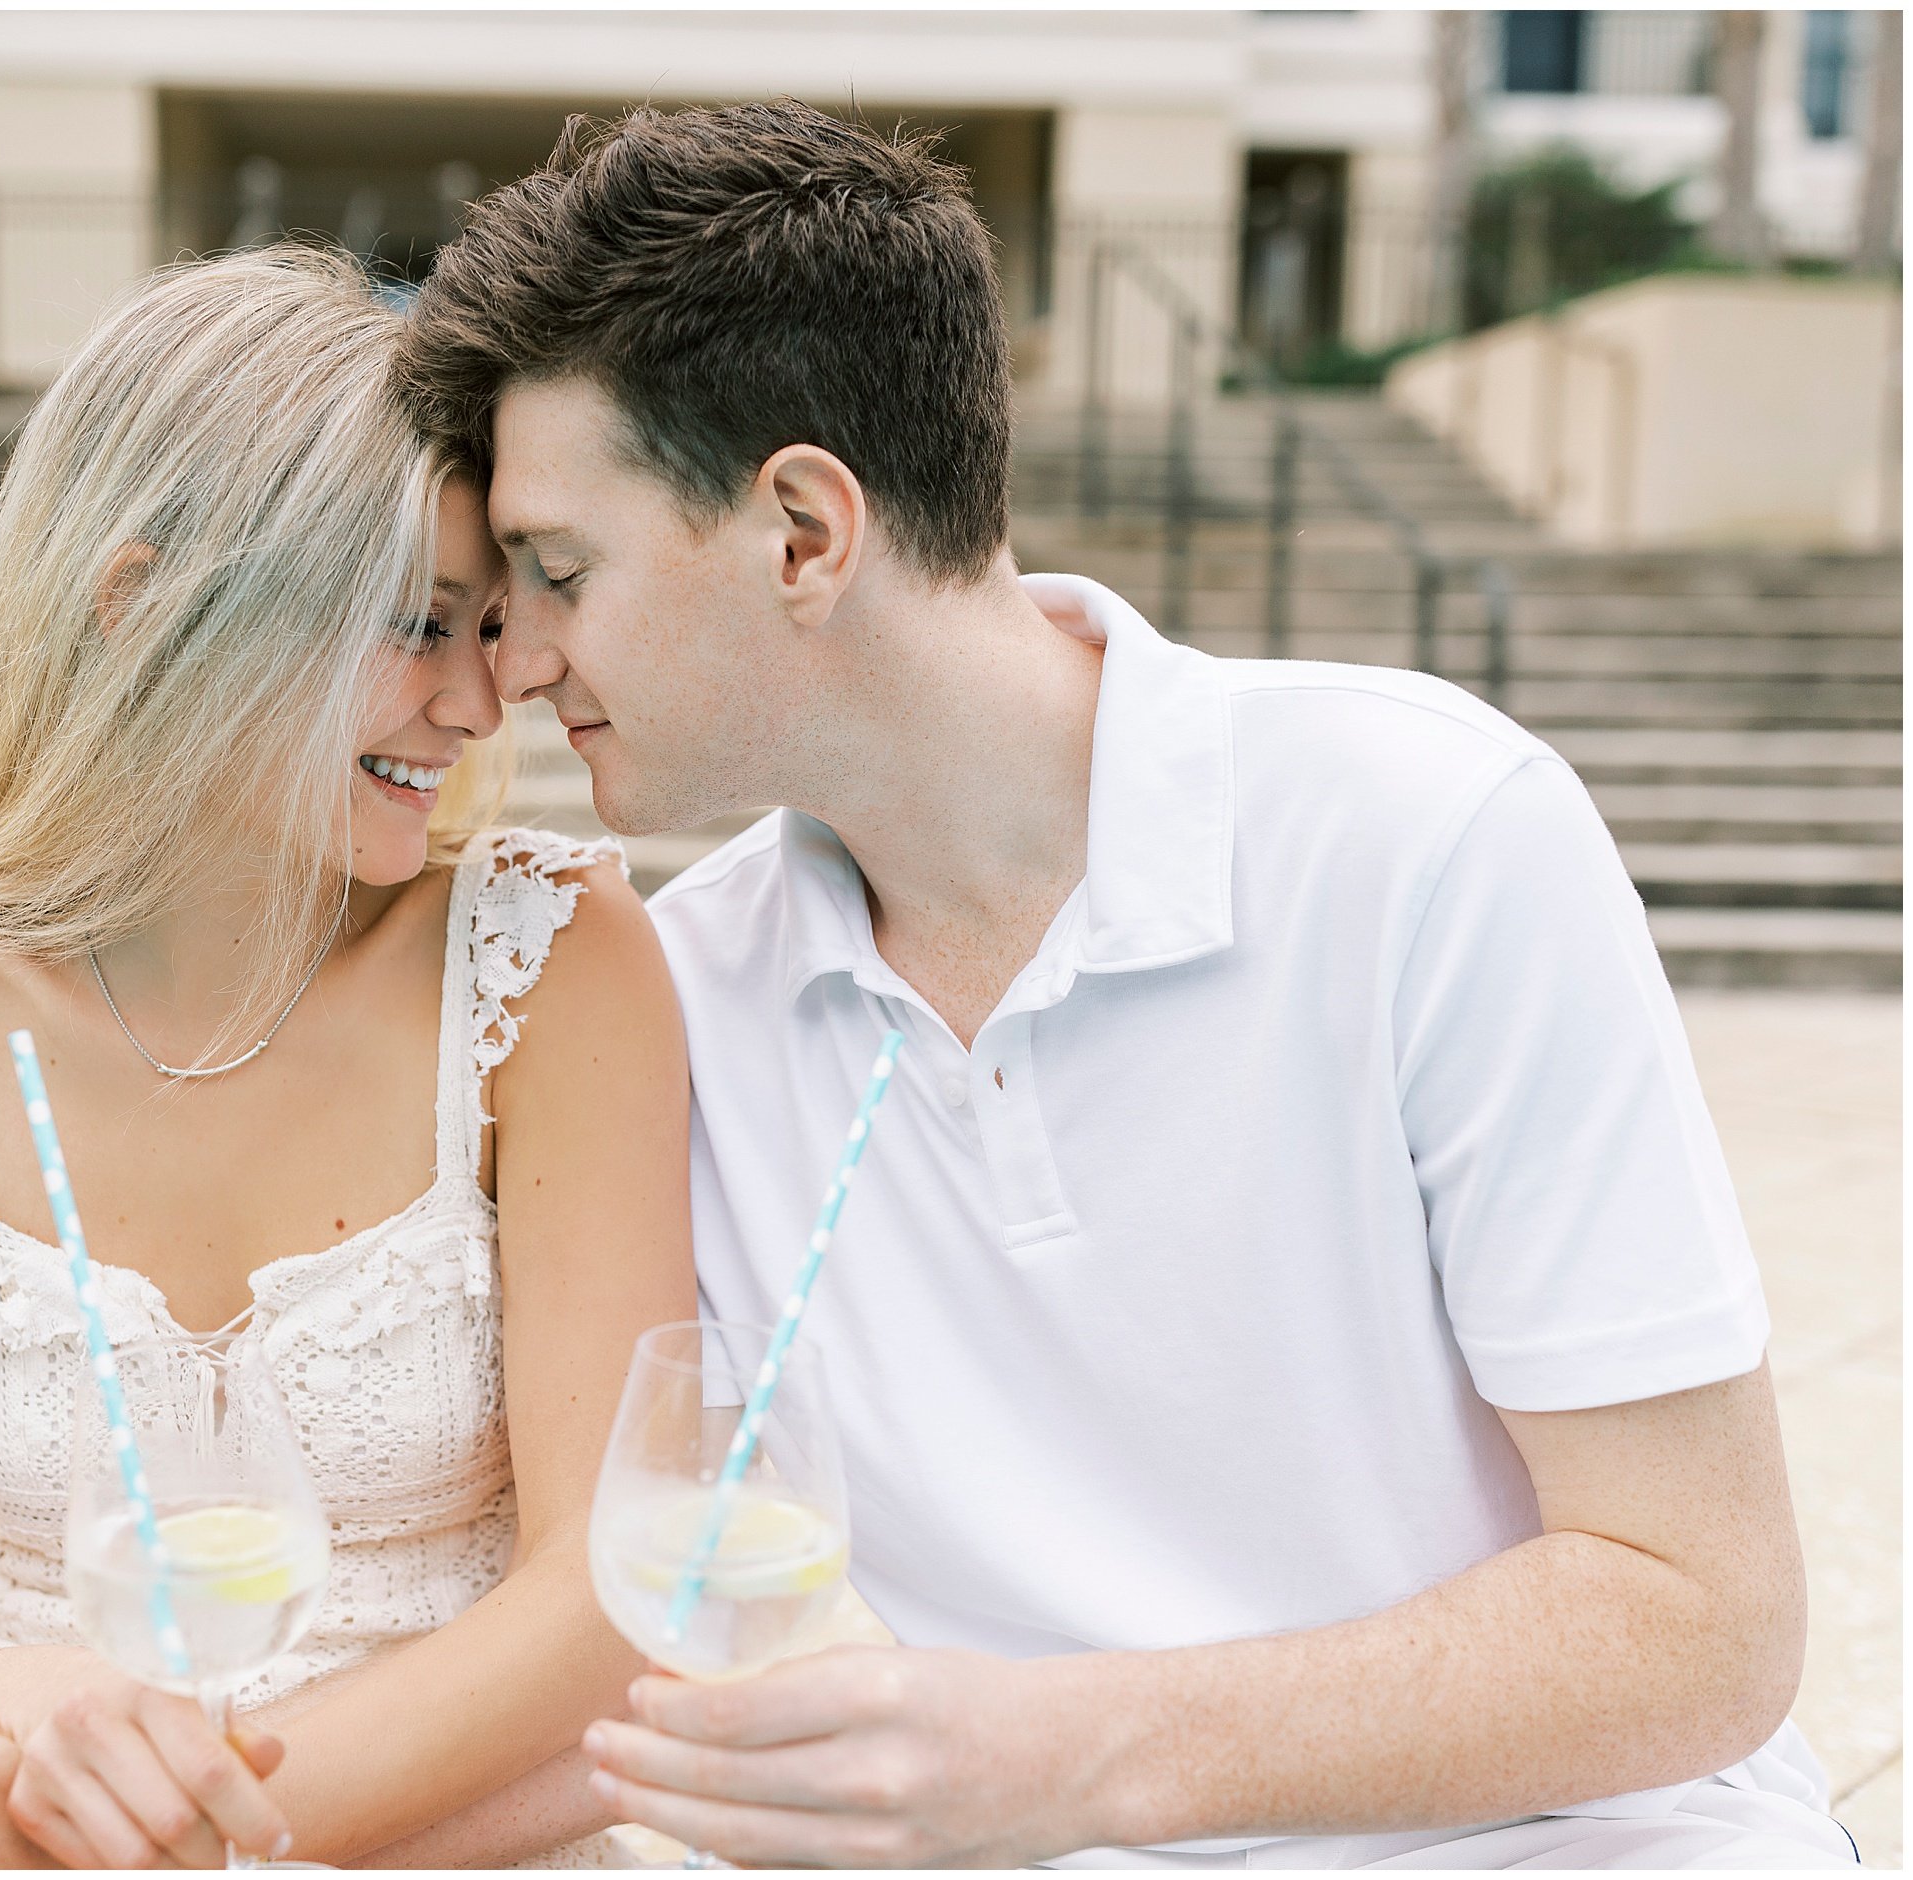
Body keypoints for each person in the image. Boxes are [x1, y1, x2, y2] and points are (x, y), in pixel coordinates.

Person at [395, 100, 1860, 1868]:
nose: (519, 662)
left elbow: (1701, 1615)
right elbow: (610, 1644)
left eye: (556, 574)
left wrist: (1075, 1756)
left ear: (802, 530)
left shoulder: (1428, 836)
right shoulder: (671, 998)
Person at [0, 245, 691, 1870]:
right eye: (415, 626)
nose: (480, 698)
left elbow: (606, 1590)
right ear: (143, 604)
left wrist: (110, 1836)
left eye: (493, 624)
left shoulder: (555, 962)